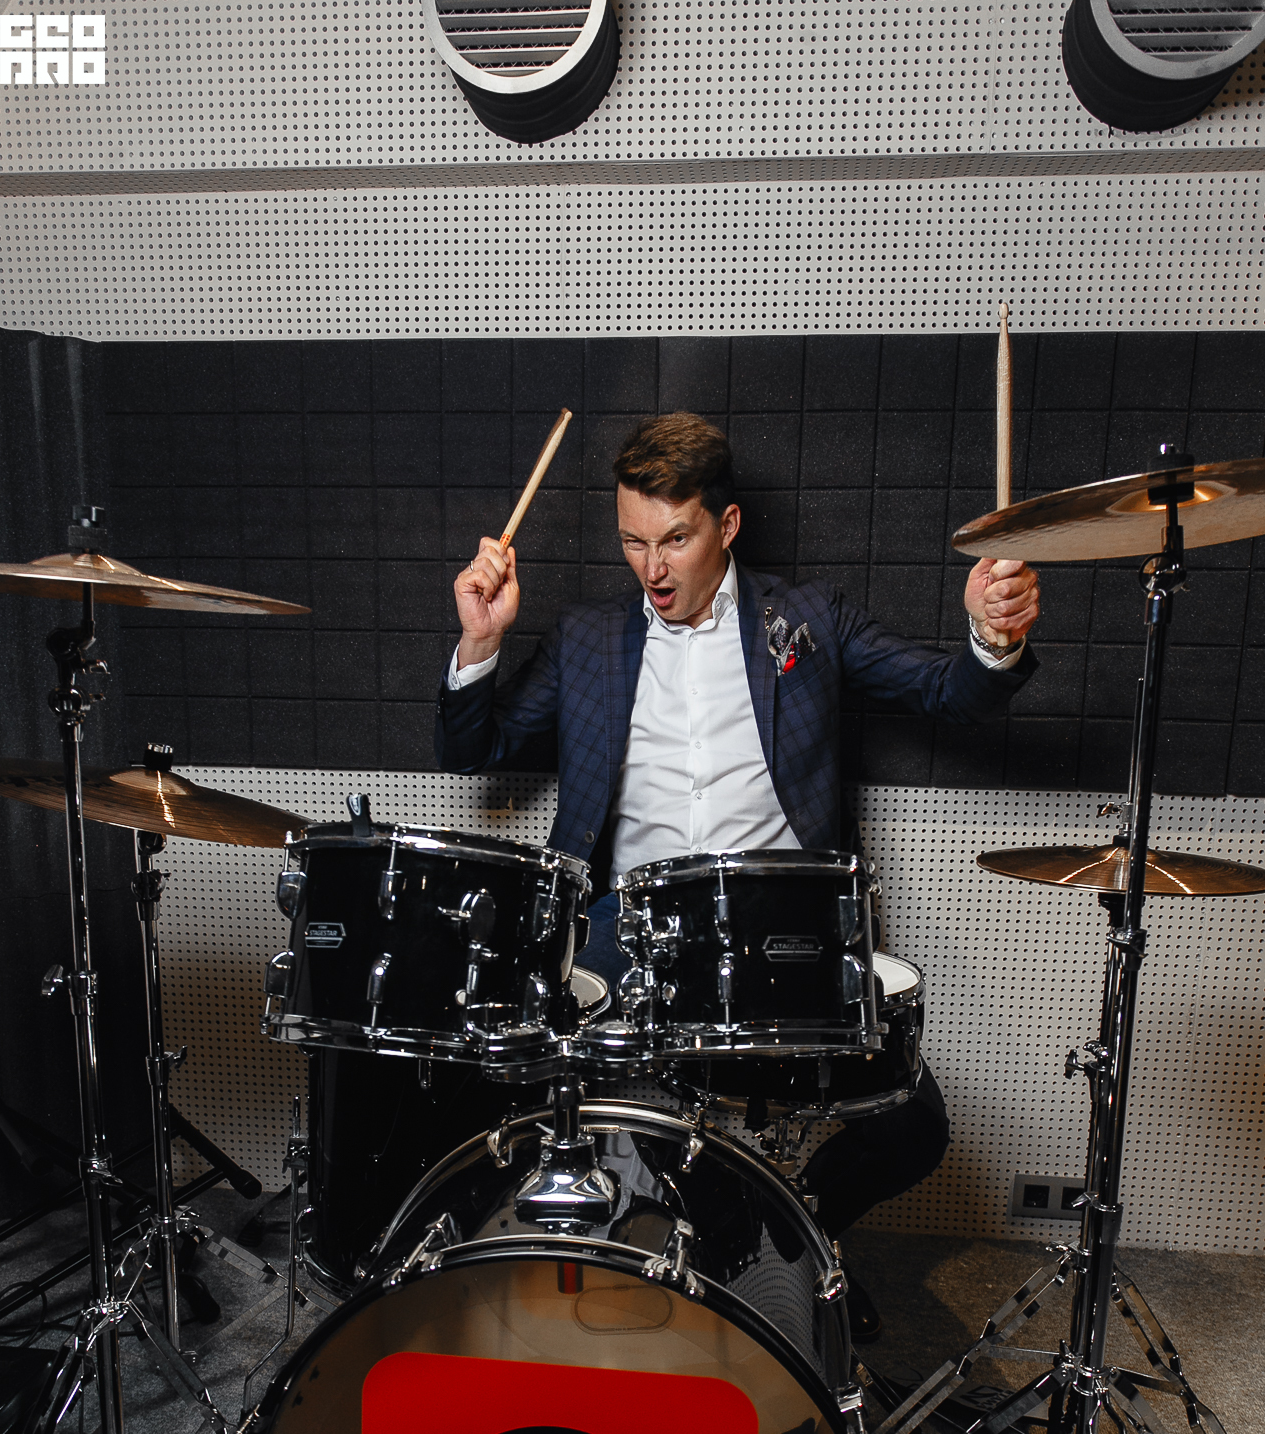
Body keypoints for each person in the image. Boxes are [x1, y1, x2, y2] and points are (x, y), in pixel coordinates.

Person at [436, 413, 1040, 1339]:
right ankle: (709, 1256)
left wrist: (990, 635)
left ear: (727, 525)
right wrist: (480, 642)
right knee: (533, 1077)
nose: (653, 568)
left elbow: (945, 692)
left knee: (910, 1127)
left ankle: (788, 1245)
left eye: (675, 539)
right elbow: (472, 750)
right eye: (634, 541)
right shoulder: (589, 639)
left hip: (778, 921)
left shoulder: (808, 620)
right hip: (623, 921)